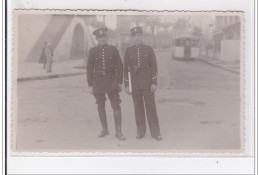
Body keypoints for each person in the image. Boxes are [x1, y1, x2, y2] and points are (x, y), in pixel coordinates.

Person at [86, 27, 125, 141]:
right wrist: (90, 85)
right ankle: (105, 129)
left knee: (116, 105)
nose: (102, 39)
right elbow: (89, 69)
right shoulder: (93, 51)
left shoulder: (113, 50)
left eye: (103, 37)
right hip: (97, 82)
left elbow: (120, 66)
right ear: (97, 39)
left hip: (112, 81)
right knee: (100, 105)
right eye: (99, 37)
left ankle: (118, 131)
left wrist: (119, 81)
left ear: (107, 37)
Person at [124, 26, 162, 140]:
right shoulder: (128, 51)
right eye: (135, 36)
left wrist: (154, 83)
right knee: (138, 108)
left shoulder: (148, 49)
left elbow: (154, 67)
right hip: (135, 84)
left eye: (139, 36)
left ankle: (155, 132)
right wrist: (127, 85)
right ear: (132, 38)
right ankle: (140, 130)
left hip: (147, 83)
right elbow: (125, 69)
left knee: (151, 107)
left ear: (142, 36)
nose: (137, 38)